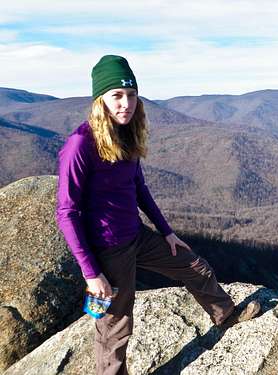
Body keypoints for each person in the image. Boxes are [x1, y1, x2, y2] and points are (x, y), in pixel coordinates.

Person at [55, 55, 260, 375]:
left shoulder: (126, 135)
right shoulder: (80, 144)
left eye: (132, 95)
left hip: (136, 235)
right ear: (100, 100)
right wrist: (91, 272)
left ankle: (226, 316)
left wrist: (167, 232)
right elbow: (66, 212)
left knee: (194, 265)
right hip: (108, 249)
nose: (126, 104)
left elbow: (138, 188)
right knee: (115, 325)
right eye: (117, 96)